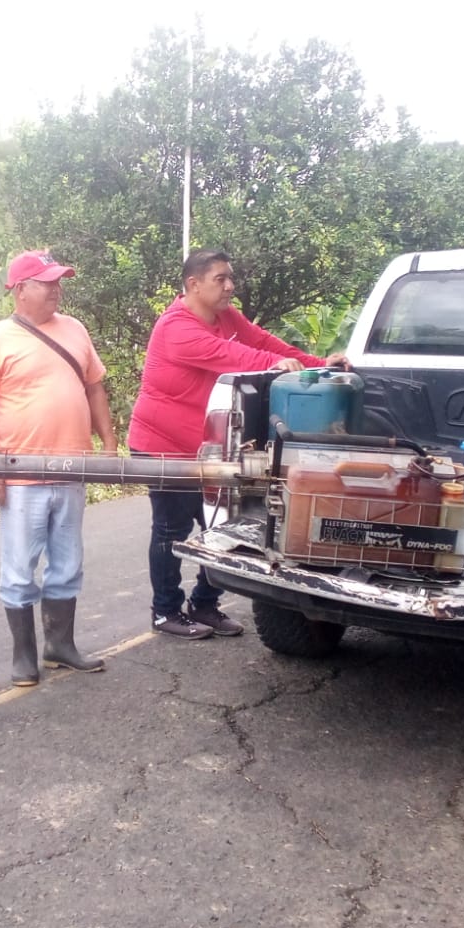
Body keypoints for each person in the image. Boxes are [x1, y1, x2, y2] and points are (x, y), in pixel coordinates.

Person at [128, 248, 347, 639]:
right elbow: (230, 354)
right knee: (172, 528)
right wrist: (272, 365)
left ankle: (204, 604)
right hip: (164, 446)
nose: (230, 286)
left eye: (231, 277)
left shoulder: (226, 316)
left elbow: (267, 342)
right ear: (193, 284)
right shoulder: (175, 327)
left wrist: (318, 363)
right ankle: (165, 611)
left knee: (226, 526)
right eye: (220, 279)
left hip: (208, 449)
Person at [0, 250, 119, 686]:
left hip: (72, 470)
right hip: (22, 475)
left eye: (59, 281)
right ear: (20, 290)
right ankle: (24, 656)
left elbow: (94, 389)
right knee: (19, 568)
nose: (57, 289)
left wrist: (109, 444)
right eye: (47, 282)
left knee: (68, 563)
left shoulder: (75, 329)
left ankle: (60, 646)